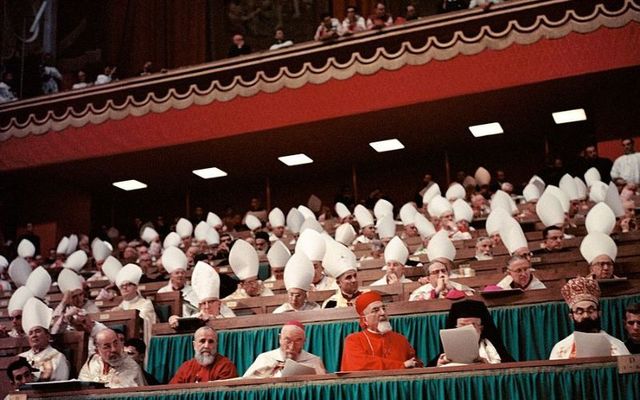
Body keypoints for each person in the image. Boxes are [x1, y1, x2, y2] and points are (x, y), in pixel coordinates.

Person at [549, 277, 629, 359]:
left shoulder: (617, 346)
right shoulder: (560, 349)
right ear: (571, 317)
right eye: (580, 312)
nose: (586, 315)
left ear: (599, 313)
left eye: (590, 311)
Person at [341, 291, 421, 371]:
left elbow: (415, 363)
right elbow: (360, 366)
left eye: (384, 308)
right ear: (365, 319)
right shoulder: (354, 340)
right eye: (375, 310)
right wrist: (401, 365)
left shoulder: (401, 339)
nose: (383, 313)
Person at [433, 300, 514, 366]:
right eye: (462, 325)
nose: (467, 329)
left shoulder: (495, 351)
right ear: (455, 327)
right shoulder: (442, 357)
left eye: (473, 325)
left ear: (481, 328)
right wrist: (438, 367)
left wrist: (488, 366)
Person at [243, 321, 326, 378]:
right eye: (288, 340)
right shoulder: (265, 358)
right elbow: (247, 383)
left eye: (297, 341)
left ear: (304, 341)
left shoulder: (314, 361)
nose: (292, 346)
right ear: (280, 338)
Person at [168, 261, 236, 328]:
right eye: (203, 303)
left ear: (219, 303)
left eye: (211, 302)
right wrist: (174, 318)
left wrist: (215, 319)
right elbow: (184, 321)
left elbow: (234, 323)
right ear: (199, 306)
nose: (207, 307)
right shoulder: (198, 316)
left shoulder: (227, 313)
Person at [19, 298, 70, 382]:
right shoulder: (21, 358)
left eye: (38, 331)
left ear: (48, 336)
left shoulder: (58, 357)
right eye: (30, 333)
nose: (34, 335)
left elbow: (62, 384)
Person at [79, 328, 146, 387]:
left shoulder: (131, 366)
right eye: (107, 347)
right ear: (97, 351)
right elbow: (82, 389)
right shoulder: (92, 362)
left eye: (116, 343)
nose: (114, 349)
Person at [109, 264, 158, 345]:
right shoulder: (120, 306)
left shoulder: (146, 304)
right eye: (122, 286)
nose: (125, 288)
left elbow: (144, 322)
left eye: (128, 284)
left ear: (136, 287)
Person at [169, 326, 237, 383]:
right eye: (202, 341)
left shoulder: (226, 366)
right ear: (194, 345)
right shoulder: (186, 367)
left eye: (211, 341)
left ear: (216, 345)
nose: (206, 346)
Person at [158, 246, 199, 316]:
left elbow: (197, 311)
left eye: (182, 273)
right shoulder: (162, 292)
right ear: (171, 275)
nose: (180, 275)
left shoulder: (193, 291)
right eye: (177, 273)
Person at [322, 241, 363, 308]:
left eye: (355, 276)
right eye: (348, 277)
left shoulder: (368, 297)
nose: (354, 280)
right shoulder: (331, 304)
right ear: (338, 283)